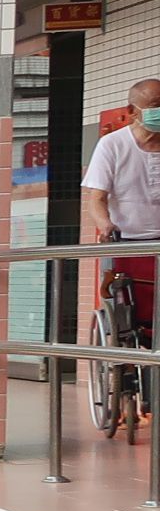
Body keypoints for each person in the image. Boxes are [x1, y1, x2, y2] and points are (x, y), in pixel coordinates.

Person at [84, 78, 160, 331]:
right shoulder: (113, 145)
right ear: (132, 111)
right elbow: (96, 197)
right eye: (156, 105)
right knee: (133, 309)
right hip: (130, 242)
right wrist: (104, 224)